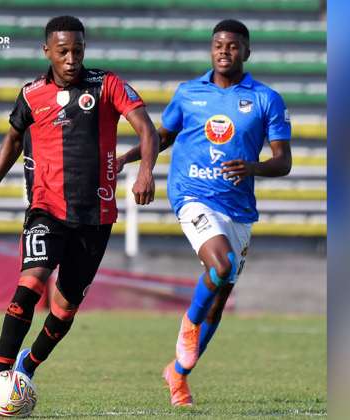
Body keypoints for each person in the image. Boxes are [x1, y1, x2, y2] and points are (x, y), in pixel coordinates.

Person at [0, 15, 159, 409]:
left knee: (64, 310)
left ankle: (24, 369)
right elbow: (14, 137)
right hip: (45, 210)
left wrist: (145, 170)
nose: (71, 59)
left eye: (78, 51)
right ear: (47, 51)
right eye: (63, 51)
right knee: (29, 287)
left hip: (96, 217)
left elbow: (147, 129)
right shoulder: (31, 95)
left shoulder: (107, 85)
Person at [117, 19, 292, 407]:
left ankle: (178, 375)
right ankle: (189, 325)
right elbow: (164, 136)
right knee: (221, 264)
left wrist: (252, 167)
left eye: (232, 46)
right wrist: (131, 159)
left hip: (239, 209)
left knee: (220, 295)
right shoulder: (188, 92)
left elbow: (283, 162)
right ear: (210, 50)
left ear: (246, 51)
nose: (224, 51)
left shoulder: (266, 99)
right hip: (192, 195)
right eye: (217, 45)